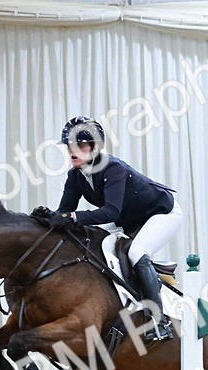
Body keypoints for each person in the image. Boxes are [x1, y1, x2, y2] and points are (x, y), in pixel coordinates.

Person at [39, 116, 183, 341]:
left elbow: (110, 212)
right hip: (129, 219)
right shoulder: (75, 175)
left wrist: (71, 217)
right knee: (93, 239)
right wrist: (48, 218)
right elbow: (66, 212)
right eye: (69, 146)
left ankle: (159, 321)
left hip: (161, 214)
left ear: (95, 147)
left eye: (80, 145)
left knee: (136, 253)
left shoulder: (112, 168)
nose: (72, 151)